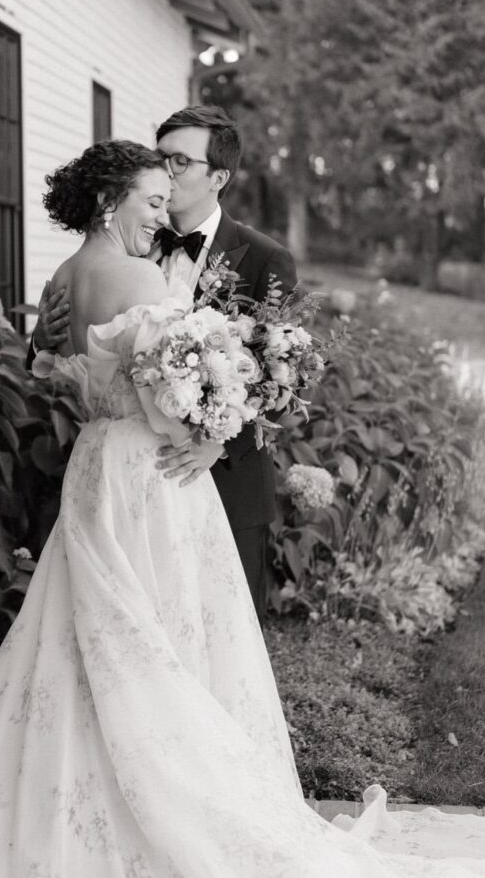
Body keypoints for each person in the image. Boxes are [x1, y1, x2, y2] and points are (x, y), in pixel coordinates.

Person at [0, 140, 485, 878]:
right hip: (152, 474)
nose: (164, 213)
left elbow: (53, 361)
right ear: (107, 201)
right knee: (165, 636)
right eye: (152, 201)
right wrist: (213, 428)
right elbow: (166, 393)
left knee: (82, 635)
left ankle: (52, 803)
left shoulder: (64, 276)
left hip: (95, 467)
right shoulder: (139, 275)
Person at [27, 106, 298, 618]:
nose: (167, 173)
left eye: (179, 161)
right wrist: (40, 336)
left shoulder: (265, 259)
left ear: (218, 177)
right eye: (161, 157)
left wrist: (217, 443)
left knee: (218, 639)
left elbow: (285, 376)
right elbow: (71, 342)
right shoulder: (130, 246)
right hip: (135, 479)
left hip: (227, 483)